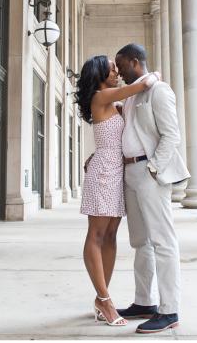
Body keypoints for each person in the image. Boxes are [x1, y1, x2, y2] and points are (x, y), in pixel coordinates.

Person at [74, 54, 158, 327]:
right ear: (99, 75)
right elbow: (141, 86)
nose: (116, 73)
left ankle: (102, 297)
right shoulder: (103, 96)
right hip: (102, 175)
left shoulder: (112, 101)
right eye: (111, 69)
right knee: (96, 235)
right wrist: (155, 76)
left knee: (110, 236)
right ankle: (105, 300)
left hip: (116, 172)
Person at [113, 43, 190, 333]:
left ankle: (169, 310)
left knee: (162, 241)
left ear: (135, 61)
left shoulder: (159, 91)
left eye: (122, 65)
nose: (118, 72)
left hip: (149, 173)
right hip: (129, 172)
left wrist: (154, 168)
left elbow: (172, 136)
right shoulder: (132, 95)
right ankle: (145, 301)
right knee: (139, 242)